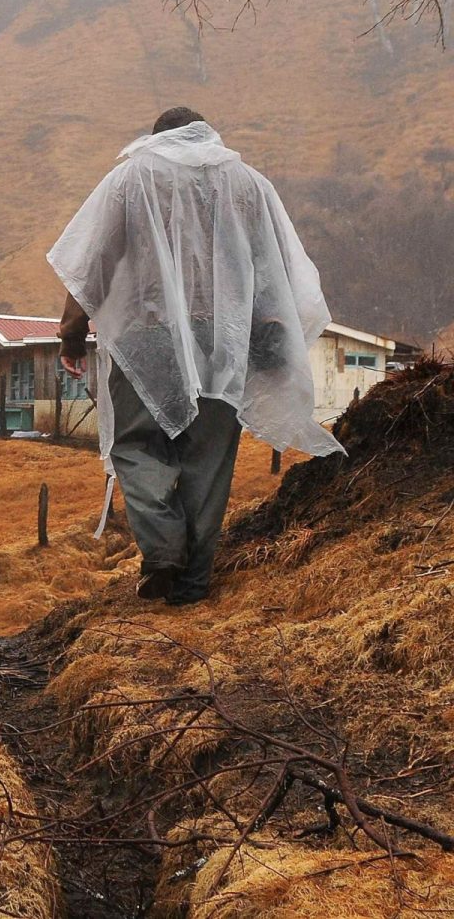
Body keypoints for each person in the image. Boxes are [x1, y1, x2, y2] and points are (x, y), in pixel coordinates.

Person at [48, 107, 344, 606]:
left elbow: (91, 259)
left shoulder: (132, 178)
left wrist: (72, 334)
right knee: (208, 458)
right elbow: (273, 264)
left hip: (147, 336)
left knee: (137, 444)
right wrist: (271, 330)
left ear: (157, 138)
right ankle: (192, 584)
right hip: (222, 342)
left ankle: (163, 551)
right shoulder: (248, 185)